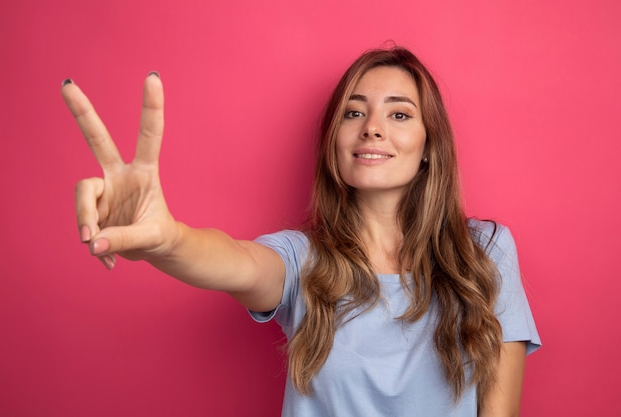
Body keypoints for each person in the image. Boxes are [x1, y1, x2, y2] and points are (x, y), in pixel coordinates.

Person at [62, 46, 540, 416]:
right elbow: (234, 262)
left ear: (429, 145)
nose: (372, 128)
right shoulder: (302, 261)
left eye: (398, 114)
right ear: (334, 141)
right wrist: (168, 240)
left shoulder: (487, 252)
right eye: (353, 112)